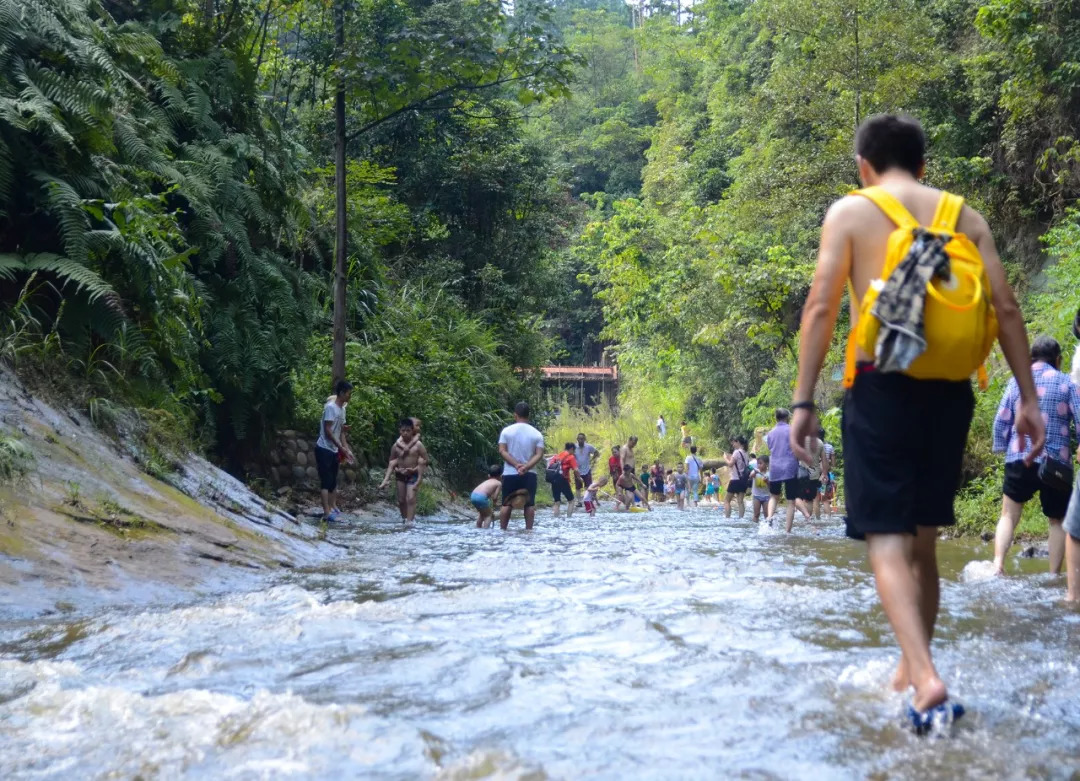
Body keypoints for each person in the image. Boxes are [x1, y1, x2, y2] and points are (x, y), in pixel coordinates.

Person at [789, 113, 1044, 723]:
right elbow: (1006, 309)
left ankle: (926, 678)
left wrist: (804, 402)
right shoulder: (966, 217)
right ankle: (910, 667)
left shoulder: (851, 212)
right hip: (950, 391)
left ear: (864, 166)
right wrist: (1028, 398)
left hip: (880, 388)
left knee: (885, 541)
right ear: (924, 165)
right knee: (924, 541)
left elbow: (823, 306)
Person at [992, 336, 1080, 575]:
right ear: (1058, 360)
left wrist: (1002, 447)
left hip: (1019, 457)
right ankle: (1053, 575)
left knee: (1009, 514)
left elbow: (1001, 419)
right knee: (1057, 520)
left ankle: (998, 565)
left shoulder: (1017, 383)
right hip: (1056, 463)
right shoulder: (1067, 384)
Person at [497, 402, 546, 531]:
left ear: (515, 415)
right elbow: (539, 454)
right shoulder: (537, 434)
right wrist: (526, 467)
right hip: (529, 474)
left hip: (509, 473)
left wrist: (515, 464)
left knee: (506, 504)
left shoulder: (506, 431)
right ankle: (529, 531)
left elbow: (502, 451)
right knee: (529, 504)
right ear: (528, 415)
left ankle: (503, 531)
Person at [314, 380, 355, 523]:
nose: (350, 396)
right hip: (324, 448)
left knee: (333, 481)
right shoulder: (330, 408)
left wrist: (346, 449)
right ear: (342, 393)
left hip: (334, 449)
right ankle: (326, 512)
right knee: (326, 481)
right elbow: (328, 431)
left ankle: (332, 507)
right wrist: (340, 446)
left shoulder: (342, 409)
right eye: (349, 393)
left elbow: (341, 432)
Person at [380, 417, 428, 525]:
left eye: (408, 431)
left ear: (412, 431)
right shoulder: (396, 446)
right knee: (401, 500)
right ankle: (404, 519)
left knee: (410, 498)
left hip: (413, 474)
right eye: (403, 431)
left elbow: (425, 460)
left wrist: (414, 469)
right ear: (399, 431)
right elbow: (392, 460)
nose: (405, 433)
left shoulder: (418, 445)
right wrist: (397, 469)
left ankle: (410, 522)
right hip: (400, 475)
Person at [788, 432, 824, 533]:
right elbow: (824, 461)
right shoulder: (819, 442)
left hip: (802, 474)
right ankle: (809, 523)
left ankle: (807, 516)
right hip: (814, 476)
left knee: (794, 496)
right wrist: (824, 473)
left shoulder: (800, 441)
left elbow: (794, 457)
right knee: (809, 500)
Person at [766, 409, 799, 519]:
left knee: (774, 496)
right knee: (791, 501)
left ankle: (769, 517)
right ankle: (788, 531)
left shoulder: (770, 433)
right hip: (790, 467)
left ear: (776, 418)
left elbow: (770, 447)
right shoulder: (792, 430)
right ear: (787, 417)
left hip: (775, 467)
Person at [548, 443, 579, 518]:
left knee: (557, 501)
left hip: (554, 479)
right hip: (563, 479)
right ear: (571, 449)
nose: (573, 453)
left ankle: (556, 518)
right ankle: (569, 518)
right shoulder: (570, 457)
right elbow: (576, 469)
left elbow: (550, 466)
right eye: (574, 451)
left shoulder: (557, 456)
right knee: (571, 501)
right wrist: (579, 477)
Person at [725, 436, 750, 519]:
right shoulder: (746, 453)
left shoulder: (736, 452)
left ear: (738, 442)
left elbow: (730, 464)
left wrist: (725, 458)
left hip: (735, 479)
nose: (733, 444)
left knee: (727, 500)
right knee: (740, 501)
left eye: (734, 442)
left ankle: (727, 518)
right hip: (743, 480)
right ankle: (741, 518)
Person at [816, 428, 835, 520]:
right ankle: (828, 519)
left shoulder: (812, 446)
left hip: (814, 475)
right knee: (825, 499)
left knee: (815, 499)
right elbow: (834, 464)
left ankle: (817, 519)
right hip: (825, 475)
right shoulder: (830, 447)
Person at [750, 455, 771, 524]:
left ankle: (768, 527)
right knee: (756, 514)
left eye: (760, 463)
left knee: (767, 514)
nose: (759, 465)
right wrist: (755, 473)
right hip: (756, 496)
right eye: (758, 463)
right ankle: (754, 527)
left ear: (767, 464)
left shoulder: (769, 474)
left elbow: (771, 487)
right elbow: (750, 476)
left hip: (766, 497)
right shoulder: (755, 472)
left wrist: (767, 482)